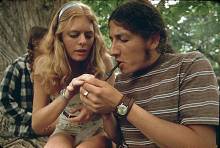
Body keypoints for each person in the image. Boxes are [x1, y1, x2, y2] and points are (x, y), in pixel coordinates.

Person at [69, 0, 219, 148]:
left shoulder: (189, 65)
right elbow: (120, 139)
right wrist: (106, 112)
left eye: (123, 39)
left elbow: (203, 143)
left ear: (153, 40)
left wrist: (122, 104)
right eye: (112, 39)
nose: (112, 50)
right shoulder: (122, 80)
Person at [31, 1, 114, 148]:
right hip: (65, 129)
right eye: (74, 35)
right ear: (59, 37)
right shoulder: (44, 66)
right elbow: (37, 124)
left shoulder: (103, 62)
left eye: (88, 36)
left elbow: (111, 105)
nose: (83, 41)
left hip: (98, 130)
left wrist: (93, 106)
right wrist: (67, 93)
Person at [0, 26, 48, 146]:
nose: (54, 44)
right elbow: (4, 100)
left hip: (46, 126)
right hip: (22, 129)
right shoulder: (18, 67)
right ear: (36, 43)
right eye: (49, 40)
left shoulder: (51, 67)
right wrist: (31, 118)